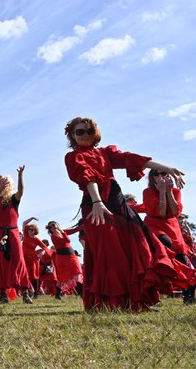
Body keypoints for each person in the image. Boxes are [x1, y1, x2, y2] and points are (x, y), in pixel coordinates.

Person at [64, 116, 184, 311]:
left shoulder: (105, 153)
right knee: (110, 253)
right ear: (72, 136)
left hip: (118, 202)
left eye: (89, 131)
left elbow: (132, 158)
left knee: (136, 248)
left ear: (95, 133)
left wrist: (167, 168)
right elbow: (88, 178)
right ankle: (112, 303)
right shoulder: (73, 157)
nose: (85, 135)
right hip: (95, 205)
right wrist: (97, 201)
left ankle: (137, 300)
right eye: (80, 132)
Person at [142, 170, 195, 304]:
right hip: (155, 226)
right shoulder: (147, 192)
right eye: (156, 174)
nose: (161, 177)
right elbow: (160, 212)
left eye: (164, 174)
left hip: (172, 227)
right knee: (164, 244)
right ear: (151, 178)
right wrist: (161, 192)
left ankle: (189, 296)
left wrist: (169, 191)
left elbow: (175, 212)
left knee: (182, 259)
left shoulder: (176, 191)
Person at [0, 167, 32, 304]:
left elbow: (21, 192)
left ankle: (25, 292)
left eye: (5, 182)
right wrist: (0, 189)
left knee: (18, 261)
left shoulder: (14, 199)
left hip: (12, 232)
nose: (3, 184)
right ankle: (3, 294)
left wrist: (20, 176)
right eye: (1, 182)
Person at [45, 221, 83, 298]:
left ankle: (81, 293)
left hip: (72, 256)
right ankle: (59, 294)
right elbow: (67, 240)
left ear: (57, 224)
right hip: (63, 259)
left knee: (77, 273)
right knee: (64, 277)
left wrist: (85, 225)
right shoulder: (53, 237)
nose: (52, 227)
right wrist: (62, 231)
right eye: (50, 227)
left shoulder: (63, 232)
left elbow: (74, 230)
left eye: (53, 225)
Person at [21, 217, 47, 298]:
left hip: (33, 258)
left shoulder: (37, 239)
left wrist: (41, 254)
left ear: (35, 231)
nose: (30, 230)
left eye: (32, 230)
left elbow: (45, 248)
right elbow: (24, 223)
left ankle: (36, 293)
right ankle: (26, 292)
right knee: (25, 274)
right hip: (24, 257)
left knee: (34, 276)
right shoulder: (25, 234)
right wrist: (31, 218)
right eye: (29, 229)